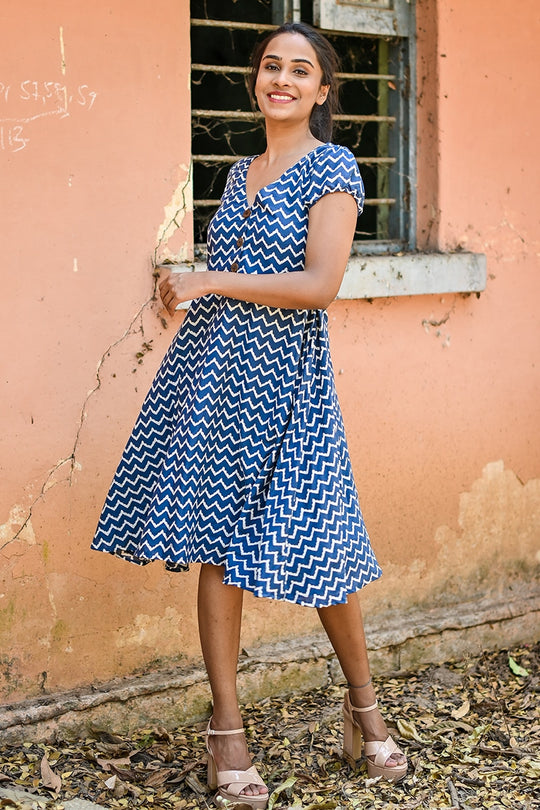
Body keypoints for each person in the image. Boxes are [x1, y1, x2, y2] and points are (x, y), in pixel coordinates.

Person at [92, 21, 407, 808]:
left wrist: (209, 280)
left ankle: (363, 707)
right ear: (256, 80)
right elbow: (226, 276)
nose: (283, 79)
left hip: (289, 383)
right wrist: (188, 284)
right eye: (272, 65)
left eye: (301, 70)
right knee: (217, 544)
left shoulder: (332, 166)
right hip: (217, 375)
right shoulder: (239, 174)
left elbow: (319, 285)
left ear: (323, 91)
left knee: (323, 542)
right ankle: (226, 728)